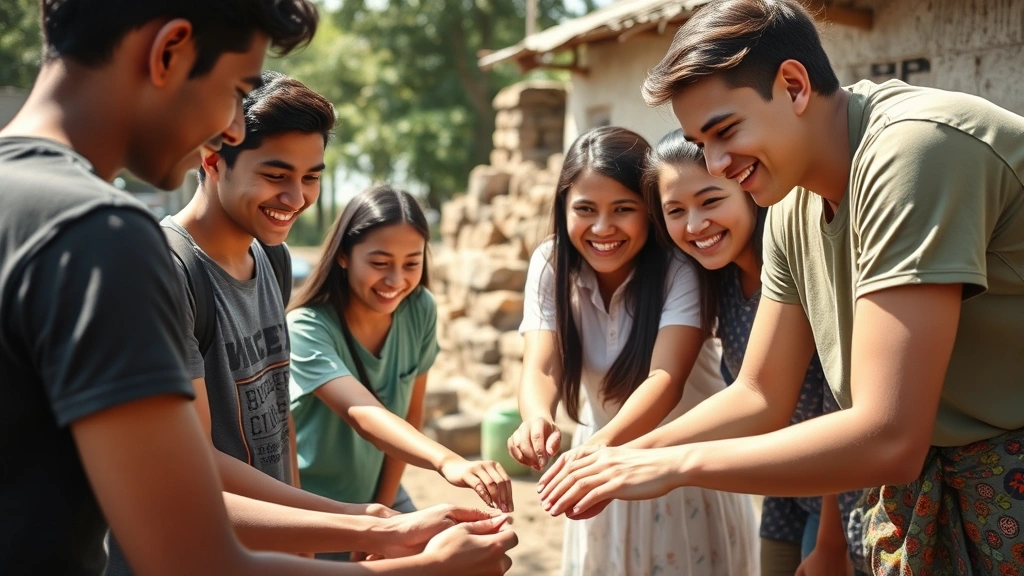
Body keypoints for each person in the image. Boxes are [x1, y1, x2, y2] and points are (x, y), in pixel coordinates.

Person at [0, 1, 516, 574]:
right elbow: (189, 547)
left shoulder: (23, 203)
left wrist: (362, 525)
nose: (232, 126)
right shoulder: (103, 236)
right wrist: (419, 564)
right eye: (235, 89)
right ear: (169, 51)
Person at [535, 0, 1024, 574]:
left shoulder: (914, 152)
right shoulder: (792, 204)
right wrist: (620, 455)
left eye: (724, 131)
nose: (715, 164)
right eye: (699, 141)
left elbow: (890, 435)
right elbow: (761, 394)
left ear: (793, 85)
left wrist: (676, 464)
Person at [105, 70, 504, 572]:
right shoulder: (168, 270)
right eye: (276, 176)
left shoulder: (272, 259)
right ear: (212, 160)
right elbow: (194, 465)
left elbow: (279, 415)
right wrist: (370, 523)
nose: (296, 198)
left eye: (311, 177)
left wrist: (300, 527)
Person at [509, 126, 758, 576]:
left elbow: (665, 378)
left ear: (650, 213)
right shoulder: (550, 263)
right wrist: (536, 418)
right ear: (563, 207)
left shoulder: (681, 266)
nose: (603, 229)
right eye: (585, 209)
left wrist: (602, 451)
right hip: (599, 469)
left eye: (623, 210)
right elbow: (541, 364)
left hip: (681, 467)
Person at [643, 129, 866, 575]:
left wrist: (830, 545)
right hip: (787, 490)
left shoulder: (796, 274)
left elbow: (837, 410)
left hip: (845, 497)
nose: (694, 225)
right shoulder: (718, 281)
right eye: (675, 211)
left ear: (748, 191)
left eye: (710, 201)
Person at [287, 184, 514, 559]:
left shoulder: (420, 308)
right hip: (314, 508)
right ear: (343, 255)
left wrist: (383, 514)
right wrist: (447, 460)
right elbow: (363, 414)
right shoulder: (307, 327)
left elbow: (411, 412)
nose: (396, 281)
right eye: (379, 264)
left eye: (412, 263)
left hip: (380, 492)